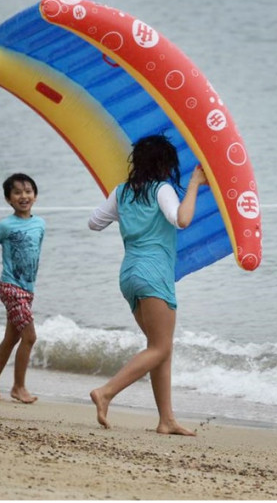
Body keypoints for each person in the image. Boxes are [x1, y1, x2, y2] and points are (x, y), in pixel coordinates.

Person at [88, 134, 208, 436]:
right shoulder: (162, 189)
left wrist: (129, 215)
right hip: (154, 273)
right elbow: (181, 219)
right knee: (160, 346)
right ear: (165, 165)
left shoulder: (122, 192)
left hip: (129, 274)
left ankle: (166, 420)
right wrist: (194, 185)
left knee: (160, 348)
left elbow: (94, 222)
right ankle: (106, 392)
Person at [0, 173, 45, 404]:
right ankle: (18, 387)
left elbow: (34, 255)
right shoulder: (5, 225)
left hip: (27, 290)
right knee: (30, 336)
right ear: (8, 199)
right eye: (17, 193)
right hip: (10, 287)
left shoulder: (40, 224)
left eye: (28, 191)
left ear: (35, 196)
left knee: (11, 339)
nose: (23, 196)